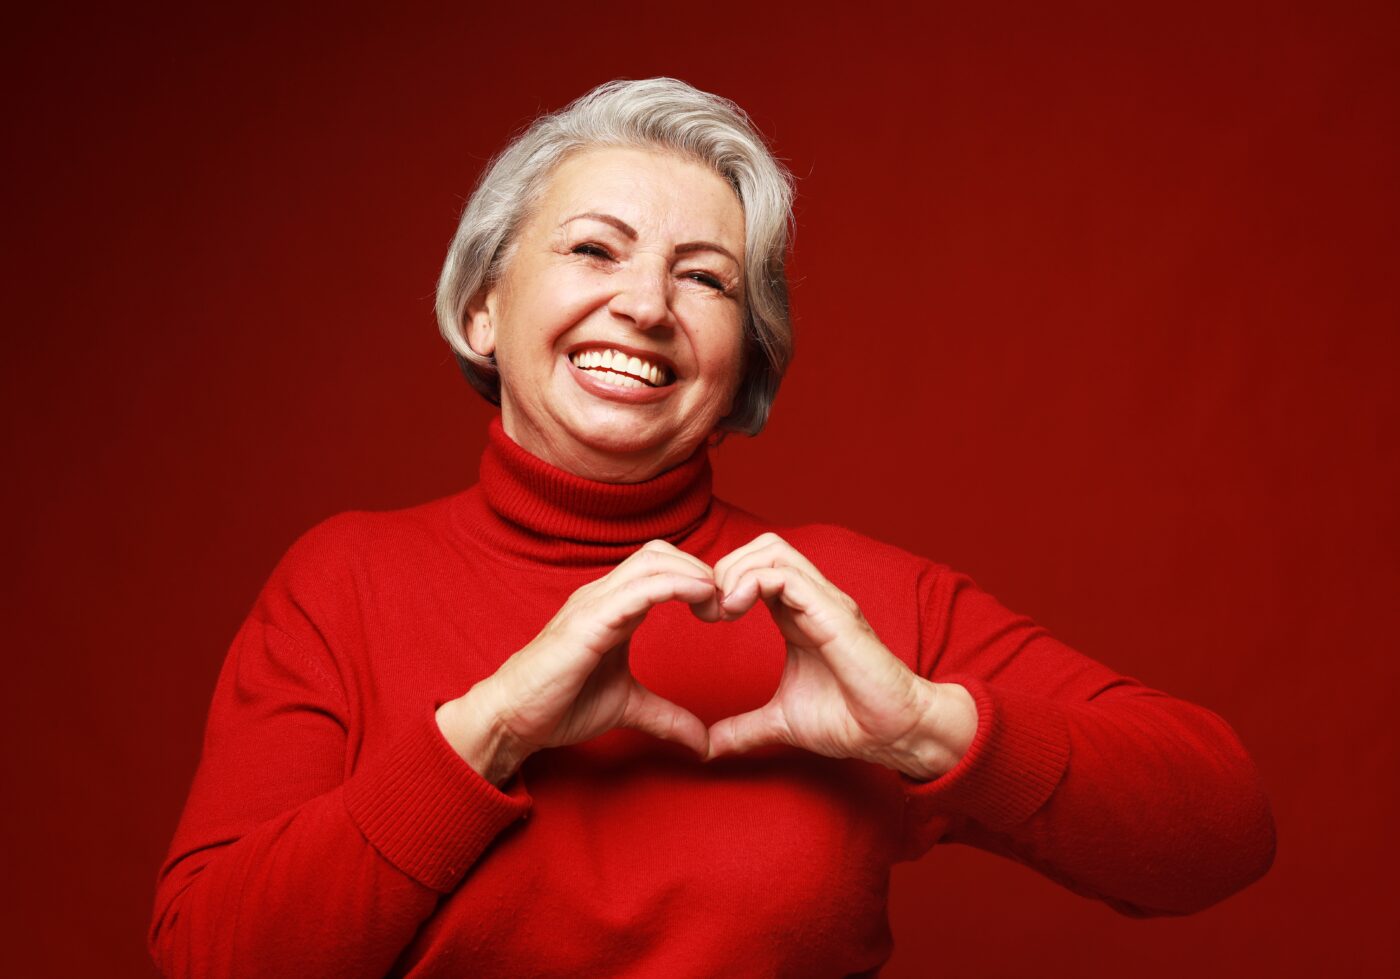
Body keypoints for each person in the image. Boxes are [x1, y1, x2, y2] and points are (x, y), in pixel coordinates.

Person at [149, 77, 1276, 978]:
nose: (644, 305)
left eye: (706, 279)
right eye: (593, 250)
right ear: (483, 308)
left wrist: (926, 727)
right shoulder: (342, 580)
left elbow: (1220, 833)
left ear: (744, 360)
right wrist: (487, 728)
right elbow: (213, 956)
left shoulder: (845, 609)